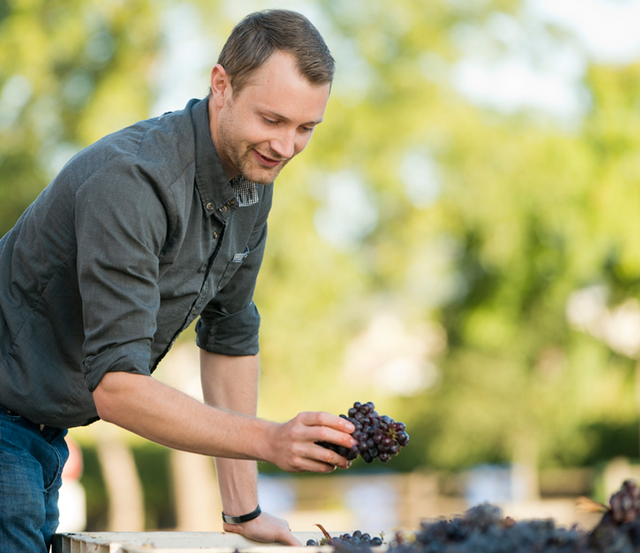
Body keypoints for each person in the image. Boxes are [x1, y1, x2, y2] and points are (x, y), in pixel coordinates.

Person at [0, 9, 357, 552]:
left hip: (40, 434)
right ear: (222, 86)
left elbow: (230, 335)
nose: (286, 147)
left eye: (305, 128)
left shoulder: (251, 184)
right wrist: (270, 439)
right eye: (272, 120)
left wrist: (243, 509)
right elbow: (118, 388)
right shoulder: (133, 181)